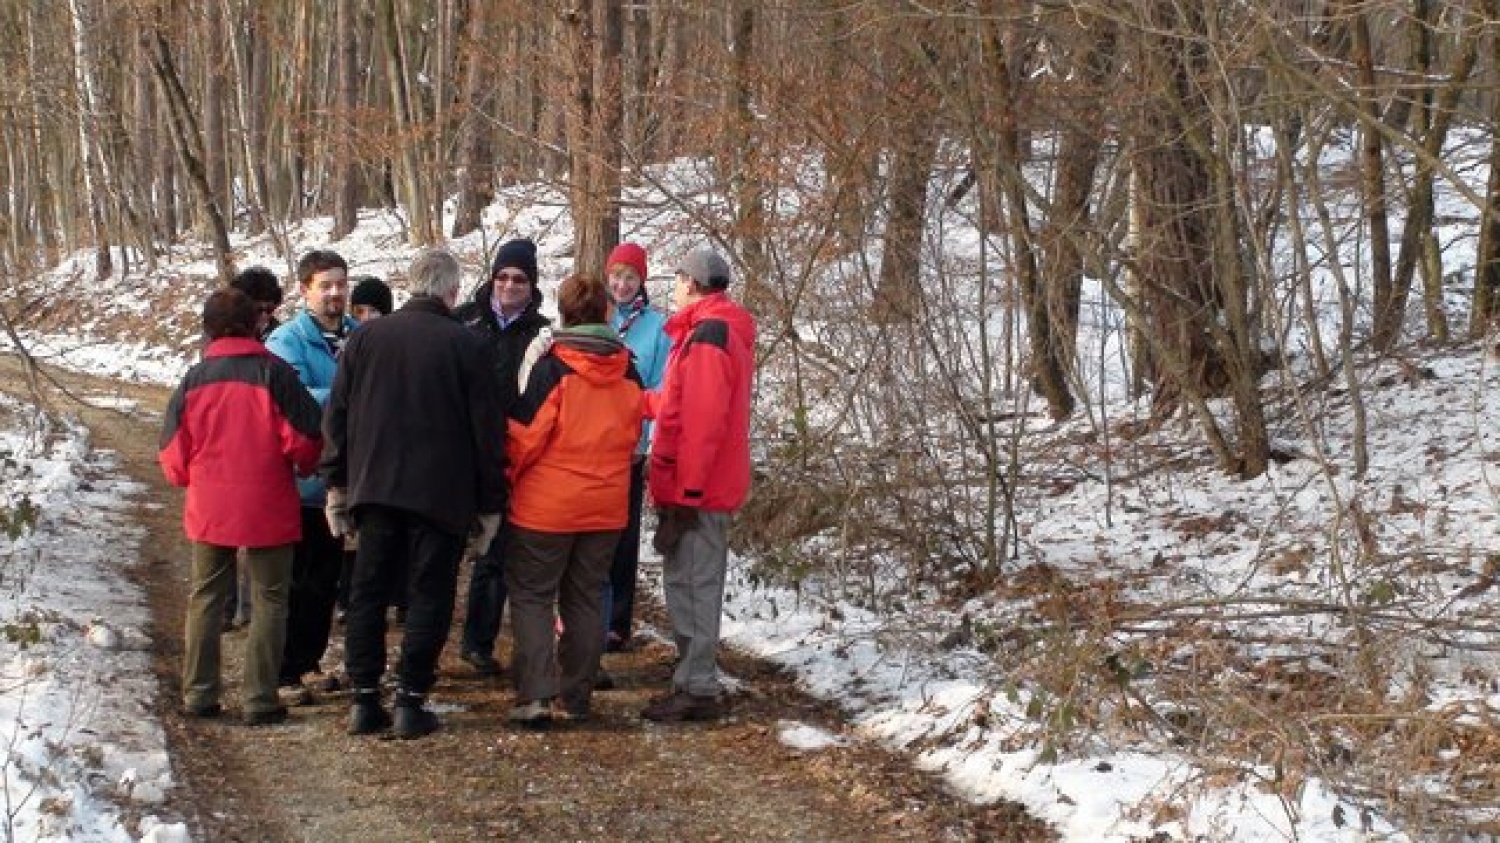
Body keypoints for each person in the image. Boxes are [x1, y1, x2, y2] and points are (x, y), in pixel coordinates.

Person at [322, 248, 507, 739]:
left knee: (368, 592)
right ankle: (410, 698)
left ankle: (364, 698)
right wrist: (491, 503)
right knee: (430, 595)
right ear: (451, 292)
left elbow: (336, 417)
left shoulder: (365, 341)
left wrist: (337, 482)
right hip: (440, 495)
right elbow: (487, 433)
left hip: (374, 486)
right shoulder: (466, 347)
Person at [159, 287, 323, 727]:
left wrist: (188, 479)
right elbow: (306, 442)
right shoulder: (277, 374)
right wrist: (306, 468)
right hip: (269, 504)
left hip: (211, 506)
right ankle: (260, 697)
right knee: (271, 599)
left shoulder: (194, 379)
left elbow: (173, 454)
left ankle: (199, 693)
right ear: (256, 324)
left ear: (207, 329)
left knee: (206, 598)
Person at [504, 273, 643, 726]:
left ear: (563, 313)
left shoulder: (553, 368)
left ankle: (536, 695)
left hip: (546, 506)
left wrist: (507, 479)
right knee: (585, 599)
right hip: (605, 507)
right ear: (606, 312)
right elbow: (632, 433)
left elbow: (524, 437)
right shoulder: (629, 370)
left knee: (532, 596)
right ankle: (577, 695)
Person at [640, 246, 756, 723]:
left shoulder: (709, 333)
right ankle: (691, 678)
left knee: (694, 583)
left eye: (677, 279)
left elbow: (704, 420)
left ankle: (699, 686)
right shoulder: (708, 330)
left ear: (690, 283)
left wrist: (685, 492)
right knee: (686, 581)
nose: (673, 288)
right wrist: (632, 399)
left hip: (698, 487)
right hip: (695, 482)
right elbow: (677, 402)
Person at [453, 238, 551, 677]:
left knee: (498, 552)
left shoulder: (543, 332)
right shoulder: (464, 322)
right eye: (504, 277)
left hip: (516, 450)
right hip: (461, 447)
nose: (511, 285)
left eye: (520, 278)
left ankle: (480, 643)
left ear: (532, 284)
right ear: (492, 279)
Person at [265, 250, 356, 704]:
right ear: (305, 290)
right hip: (302, 482)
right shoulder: (287, 341)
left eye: (341, 283)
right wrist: (350, 396)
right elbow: (294, 400)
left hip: (344, 481)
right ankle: (283, 670)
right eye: (326, 285)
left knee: (325, 581)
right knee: (296, 581)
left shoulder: (359, 335)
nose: (336, 293)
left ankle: (309, 661)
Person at [602, 242, 670, 652]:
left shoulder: (658, 327)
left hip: (631, 445)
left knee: (624, 536)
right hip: (590, 442)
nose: (622, 284)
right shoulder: (598, 317)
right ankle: (577, 611)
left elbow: (662, 387)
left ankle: (616, 620)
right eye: (617, 276)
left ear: (641, 280)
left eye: (630, 277)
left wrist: (649, 441)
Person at [222, 265, 287, 630]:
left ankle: (249, 606)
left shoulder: (280, 338)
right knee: (225, 532)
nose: (264, 316)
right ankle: (228, 606)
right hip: (228, 446)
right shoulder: (219, 338)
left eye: (269, 309)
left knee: (258, 536)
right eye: (257, 309)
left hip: (265, 446)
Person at [336, 274, 397, 626]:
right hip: (350, 444)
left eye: (374, 309)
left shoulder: (393, 345)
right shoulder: (345, 343)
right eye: (359, 309)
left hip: (380, 449)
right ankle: (346, 597)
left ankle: (389, 595)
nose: (366, 316)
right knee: (349, 533)